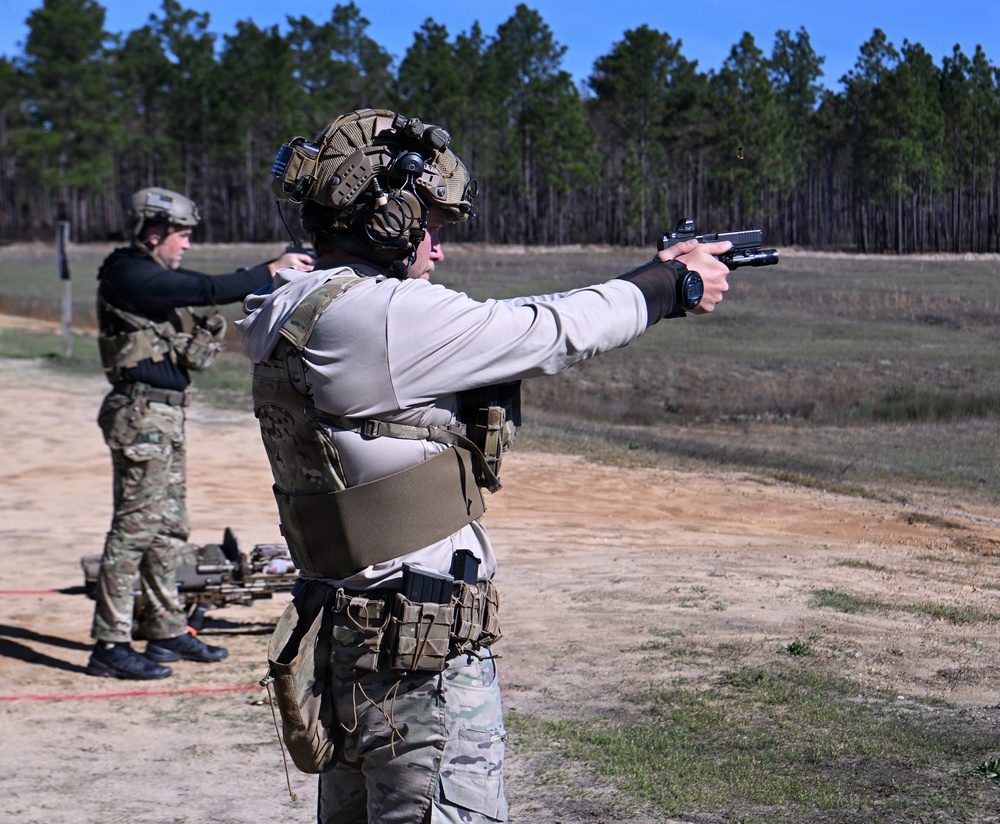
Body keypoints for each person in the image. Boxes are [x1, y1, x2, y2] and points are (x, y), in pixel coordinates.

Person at [235, 108, 732, 823]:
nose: (436, 249)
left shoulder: (291, 307)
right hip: (419, 670)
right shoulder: (379, 321)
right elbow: (553, 330)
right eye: (429, 224)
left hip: (351, 649)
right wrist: (668, 288)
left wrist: (653, 273)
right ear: (389, 218)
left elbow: (522, 322)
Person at [87, 186, 313, 681]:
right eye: (181, 236)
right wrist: (269, 271)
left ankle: (166, 629)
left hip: (163, 417)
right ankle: (109, 642)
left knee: (169, 529)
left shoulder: (148, 276)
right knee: (133, 530)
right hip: (141, 416)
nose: (186, 245)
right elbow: (205, 289)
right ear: (154, 233)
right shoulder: (128, 272)